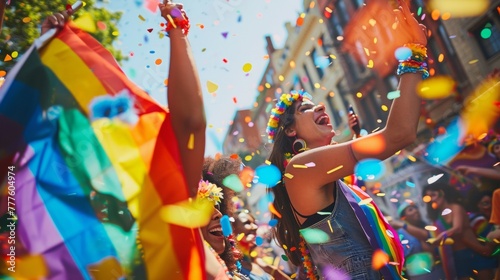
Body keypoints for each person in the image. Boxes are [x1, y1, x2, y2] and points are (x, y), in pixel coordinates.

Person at [265, 2, 426, 279]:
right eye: (306, 108)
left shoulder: (318, 172)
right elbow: (399, 134)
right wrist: (414, 53)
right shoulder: (301, 167)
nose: (321, 108)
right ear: (290, 131)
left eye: (318, 104)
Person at [422, 183, 498, 280]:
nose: (432, 199)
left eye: (433, 195)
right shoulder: (437, 220)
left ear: (441, 193)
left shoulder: (455, 207)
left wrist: (442, 235)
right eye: (428, 198)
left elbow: (458, 229)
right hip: (457, 258)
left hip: (473, 251)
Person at [389, 202, 445, 279]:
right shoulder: (401, 234)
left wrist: (402, 225)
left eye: (415, 208)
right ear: (403, 217)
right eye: (410, 209)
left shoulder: (427, 227)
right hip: (417, 275)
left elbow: (426, 237)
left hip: (436, 270)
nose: (416, 211)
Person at [233, 209, 291, 280]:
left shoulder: (259, 263)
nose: (255, 227)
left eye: (254, 222)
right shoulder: (234, 268)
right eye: (247, 223)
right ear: (233, 230)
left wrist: (273, 271)